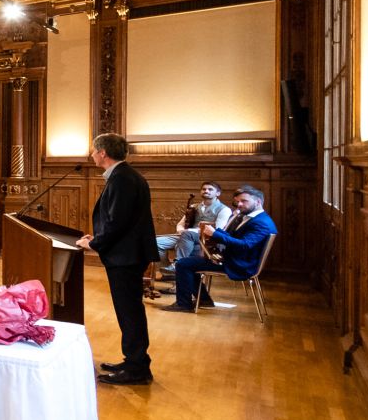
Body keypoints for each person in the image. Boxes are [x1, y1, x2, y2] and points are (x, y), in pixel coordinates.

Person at [76, 133, 158, 384]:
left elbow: (117, 221)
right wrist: (98, 237)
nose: (91, 155)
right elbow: (119, 219)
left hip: (126, 256)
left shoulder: (122, 179)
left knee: (129, 311)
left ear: (103, 153)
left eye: (93, 150)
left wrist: (95, 243)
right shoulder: (126, 176)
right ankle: (134, 361)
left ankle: (137, 369)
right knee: (129, 310)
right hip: (128, 253)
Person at [164, 185, 278, 312]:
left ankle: (184, 304)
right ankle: (204, 300)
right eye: (238, 201)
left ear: (258, 202)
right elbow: (236, 238)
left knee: (183, 264)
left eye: (244, 201)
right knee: (190, 262)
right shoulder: (255, 218)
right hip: (235, 259)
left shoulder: (261, 222)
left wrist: (215, 234)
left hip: (239, 264)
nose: (239, 204)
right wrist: (216, 232)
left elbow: (245, 245)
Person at [157, 180, 233, 265]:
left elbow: (218, 229)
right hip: (186, 236)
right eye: (204, 189)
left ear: (218, 193)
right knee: (156, 243)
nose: (206, 191)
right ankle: (167, 269)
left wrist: (191, 232)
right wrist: (181, 230)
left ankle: (177, 266)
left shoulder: (224, 210)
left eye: (210, 189)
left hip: (205, 239)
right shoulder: (194, 207)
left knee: (188, 236)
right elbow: (181, 224)